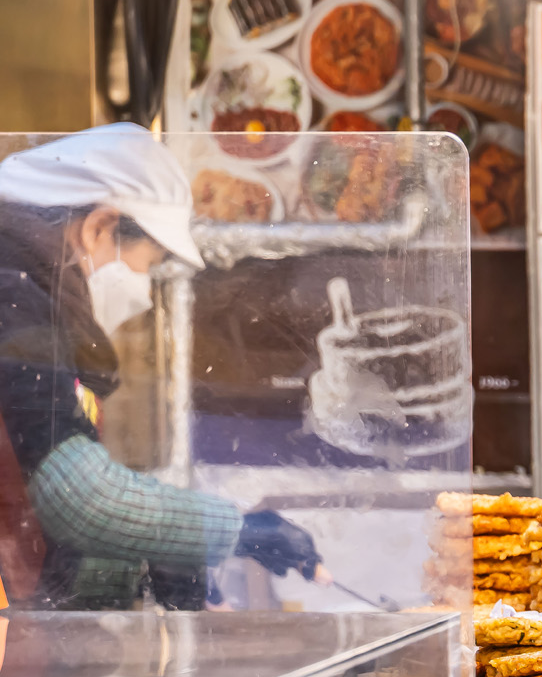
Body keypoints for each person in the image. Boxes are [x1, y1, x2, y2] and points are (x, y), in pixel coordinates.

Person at [0, 123, 319, 609]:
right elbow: (77, 499)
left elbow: (27, 522)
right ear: (99, 228)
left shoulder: (29, 296)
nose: (145, 292)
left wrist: (143, 568)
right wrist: (236, 531)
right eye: (147, 265)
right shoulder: (14, 300)